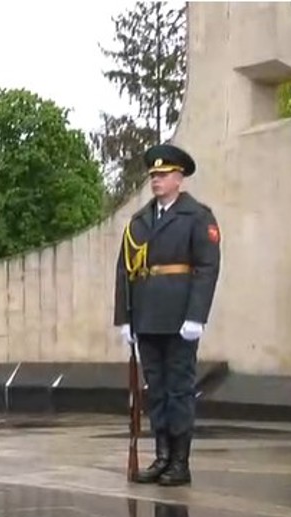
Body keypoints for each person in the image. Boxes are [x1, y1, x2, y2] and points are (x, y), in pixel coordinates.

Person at [114, 143, 222, 487]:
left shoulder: (198, 216)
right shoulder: (141, 219)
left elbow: (207, 267)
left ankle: (180, 461)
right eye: (153, 176)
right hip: (146, 315)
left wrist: (197, 316)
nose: (156, 181)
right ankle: (161, 456)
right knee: (156, 389)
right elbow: (125, 270)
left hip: (178, 316)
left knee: (178, 388)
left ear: (179, 177)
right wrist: (125, 318)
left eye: (163, 175)